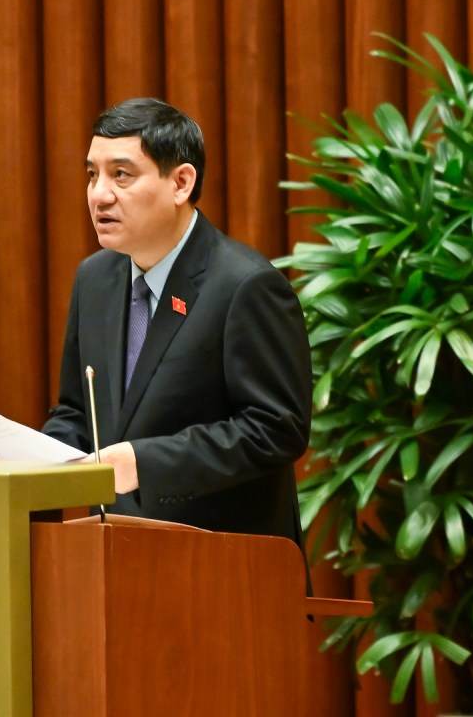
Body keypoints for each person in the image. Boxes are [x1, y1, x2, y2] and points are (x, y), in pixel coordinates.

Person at [42, 97, 312, 549]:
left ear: (181, 183)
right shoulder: (95, 279)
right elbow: (77, 410)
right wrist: (29, 462)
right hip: (110, 557)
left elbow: (275, 429)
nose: (99, 194)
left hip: (222, 563)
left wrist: (144, 462)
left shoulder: (245, 285)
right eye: (93, 174)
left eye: (121, 175)